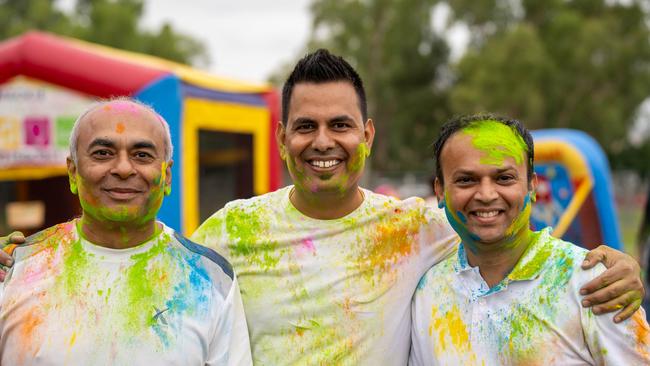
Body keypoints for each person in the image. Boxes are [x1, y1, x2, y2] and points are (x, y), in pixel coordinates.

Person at [0, 50, 644, 365]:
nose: (323, 142)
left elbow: (501, 236)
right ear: (283, 141)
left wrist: (615, 267)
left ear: (367, 137)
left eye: (341, 125)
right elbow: (146, 267)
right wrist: (30, 253)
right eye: (305, 127)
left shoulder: (418, 227)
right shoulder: (229, 233)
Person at [0, 99, 252, 365]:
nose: (122, 168)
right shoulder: (12, 270)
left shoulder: (210, 280)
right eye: (102, 153)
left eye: (142, 155)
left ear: (166, 176)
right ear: (73, 172)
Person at [410, 114, 650, 365]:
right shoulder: (427, 292)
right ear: (439, 191)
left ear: (532, 187)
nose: (486, 194)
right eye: (466, 180)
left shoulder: (593, 283)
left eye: (504, 178)